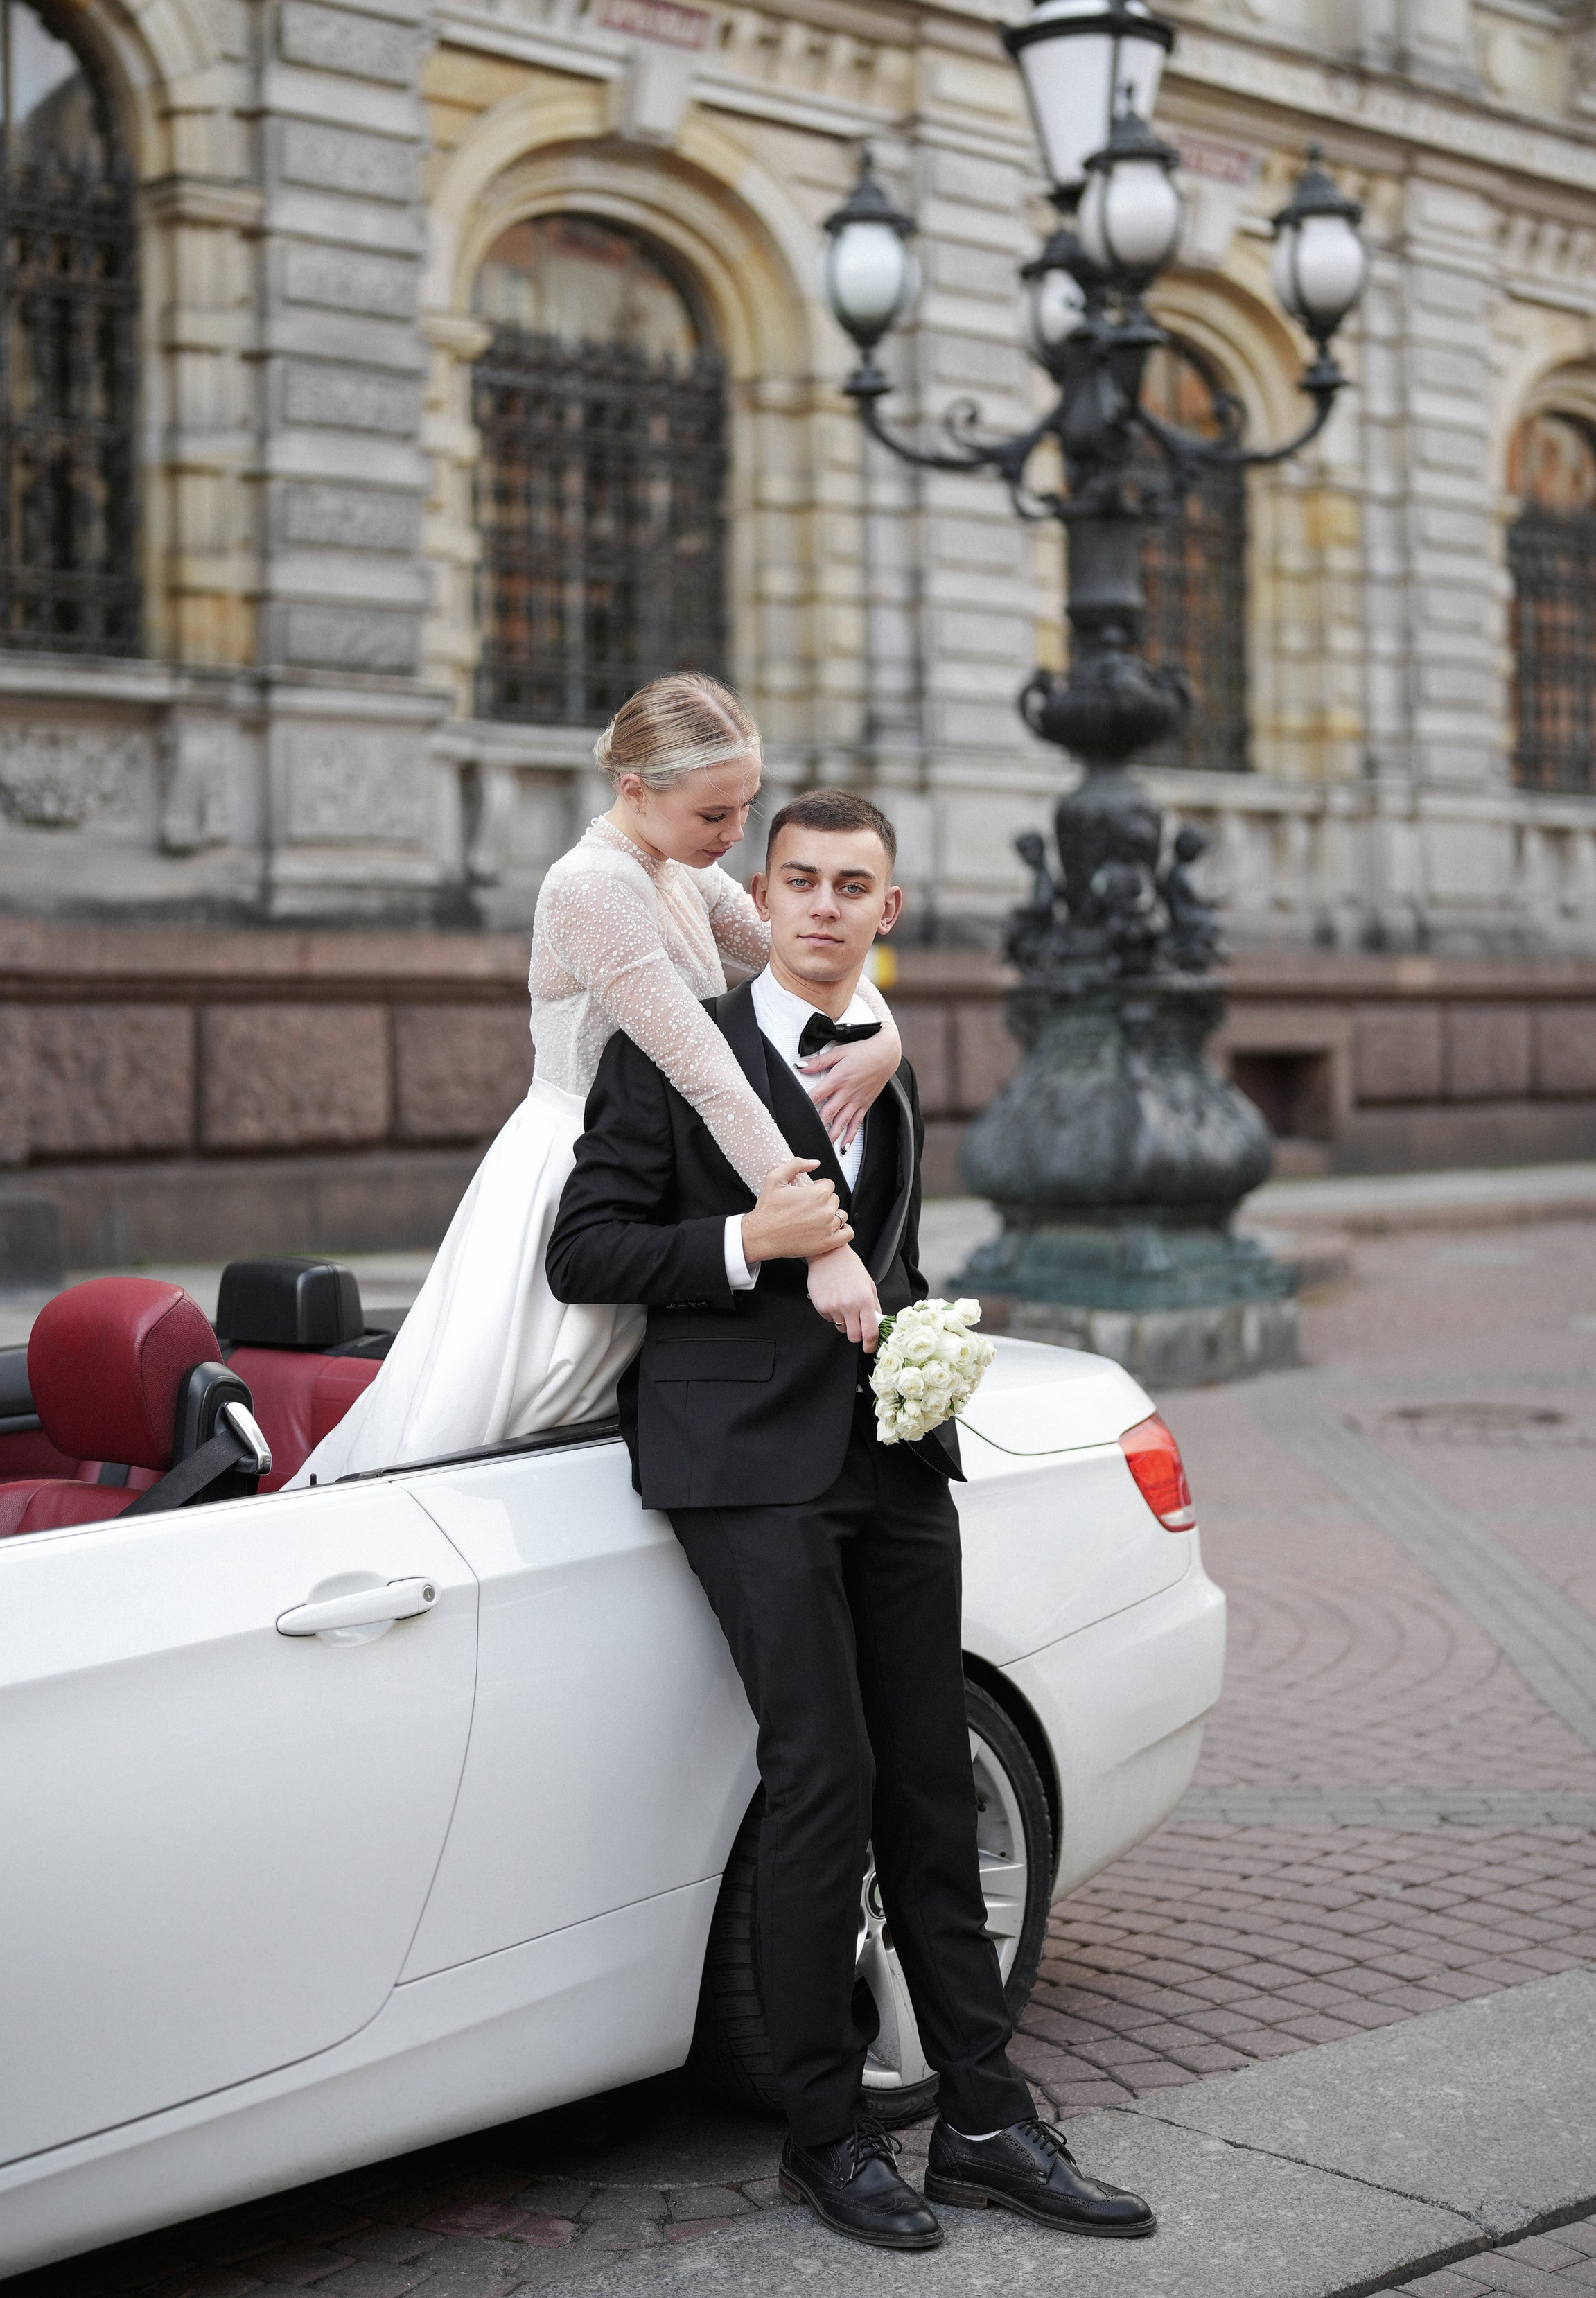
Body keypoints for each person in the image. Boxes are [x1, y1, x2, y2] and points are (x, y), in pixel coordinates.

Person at [546, 789, 1156, 2255]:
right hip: (738, 1461)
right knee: (820, 1778)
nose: (823, 905)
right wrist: (744, 1241)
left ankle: (986, 2119)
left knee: (929, 1789)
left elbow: (884, 1242)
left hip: (887, 1456)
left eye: (853, 885)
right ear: (766, 891)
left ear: (889, 909)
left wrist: (921, 1337)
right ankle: (825, 2138)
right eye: (799, 880)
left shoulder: (885, 1062)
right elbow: (585, 1248)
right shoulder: (663, 1052)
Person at [290, 677, 899, 1482]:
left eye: (746, 806)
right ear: (635, 791)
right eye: (714, 813)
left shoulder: (682, 868)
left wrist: (885, 1040)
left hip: (651, 1162)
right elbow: (708, 1072)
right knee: (509, 1417)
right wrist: (818, 1241)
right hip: (574, 1170)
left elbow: (810, 959)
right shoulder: (590, 888)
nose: (736, 832)